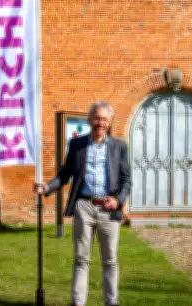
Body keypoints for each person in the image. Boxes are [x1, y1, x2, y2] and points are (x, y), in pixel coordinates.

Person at [34, 101, 131, 306]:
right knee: (81, 259)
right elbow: (65, 174)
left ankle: (111, 302)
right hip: (84, 207)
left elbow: (126, 181)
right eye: (97, 118)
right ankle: (78, 303)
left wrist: (118, 200)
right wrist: (47, 187)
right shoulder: (76, 145)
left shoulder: (119, 147)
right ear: (89, 120)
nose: (100, 123)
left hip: (108, 208)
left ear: (110, 121)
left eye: (104, 119)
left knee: (110, 260)